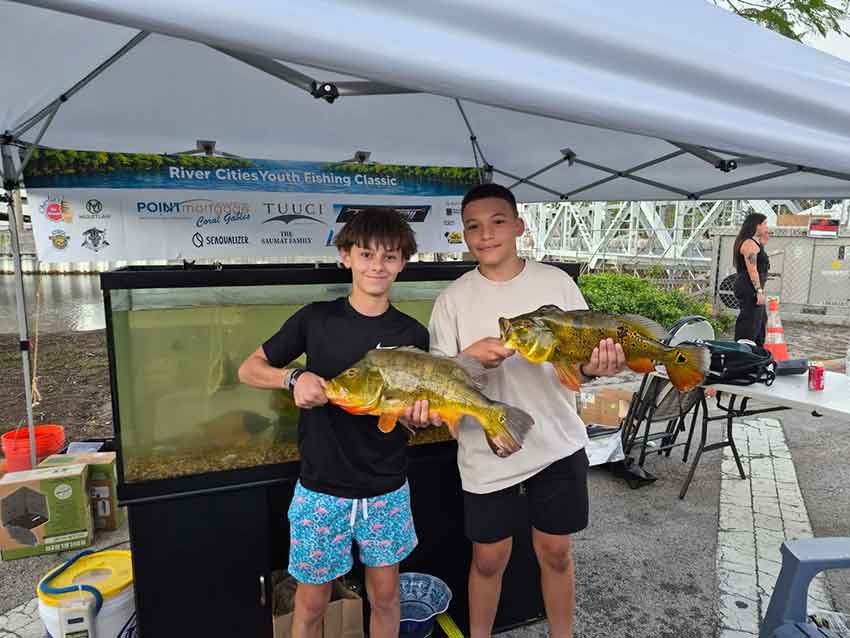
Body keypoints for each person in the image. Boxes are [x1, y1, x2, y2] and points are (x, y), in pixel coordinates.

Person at [406, 183, 626, 638]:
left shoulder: (557, 284)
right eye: (474, 226)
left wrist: (597, 366)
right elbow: (437, 379)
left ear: (519, 227)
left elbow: (580, 366)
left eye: (498, 222)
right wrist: (468, 357)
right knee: (488, 559)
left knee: (557, 552)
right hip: (487, 448)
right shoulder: (452, 300)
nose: (486, 234)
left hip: (557, 441)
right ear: (464, 236)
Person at [238, 207, 429, 638]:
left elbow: (412, 413)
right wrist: (293, 377)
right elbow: (248, 370)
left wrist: (421, 415)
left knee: (386, 598)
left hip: (387, 489)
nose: (377, 266)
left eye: (390, 256)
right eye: (366, 254)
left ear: (402, 263)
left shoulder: (414, 334)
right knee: (311, 603)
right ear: (346, 256)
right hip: (321, 489)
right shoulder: (315, 318)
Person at [732, 212, 770, 346]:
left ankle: (757, 354)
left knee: (760, 321)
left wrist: (763, 244)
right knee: (750, 322)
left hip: (751, 286)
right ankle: (743, 352)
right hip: (749, 286)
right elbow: (752, 269)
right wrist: (759, 290)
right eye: (764, 223)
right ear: (757, 225)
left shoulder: (754, 242)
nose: (767, 227)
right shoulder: (749, 243)